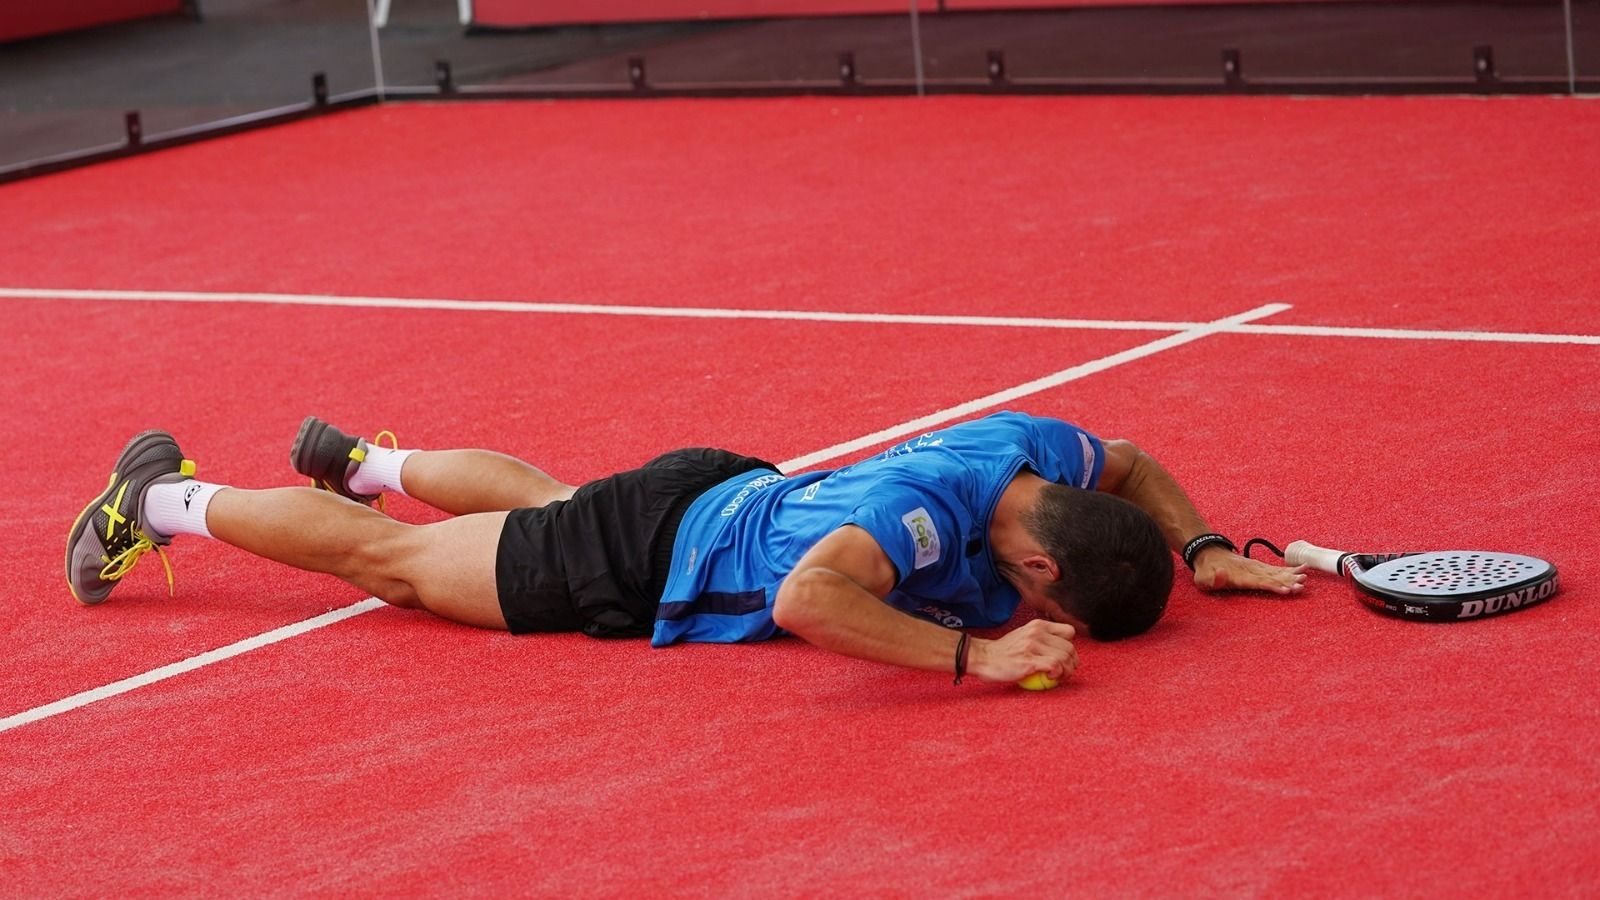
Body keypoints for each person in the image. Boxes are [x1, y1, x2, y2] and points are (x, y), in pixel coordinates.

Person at [66, 411, 1304, 686]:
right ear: (1036, 572)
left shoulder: (1024, 459)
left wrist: (1199, 547)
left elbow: (1132, 464)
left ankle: (369, 465)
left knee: (544, 500)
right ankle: (162, 499)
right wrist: (971, 663)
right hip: (648, 553)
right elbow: (818, 602)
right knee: (391, 569)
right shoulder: (906, 531)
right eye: (1062, 607)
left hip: (721, 481)